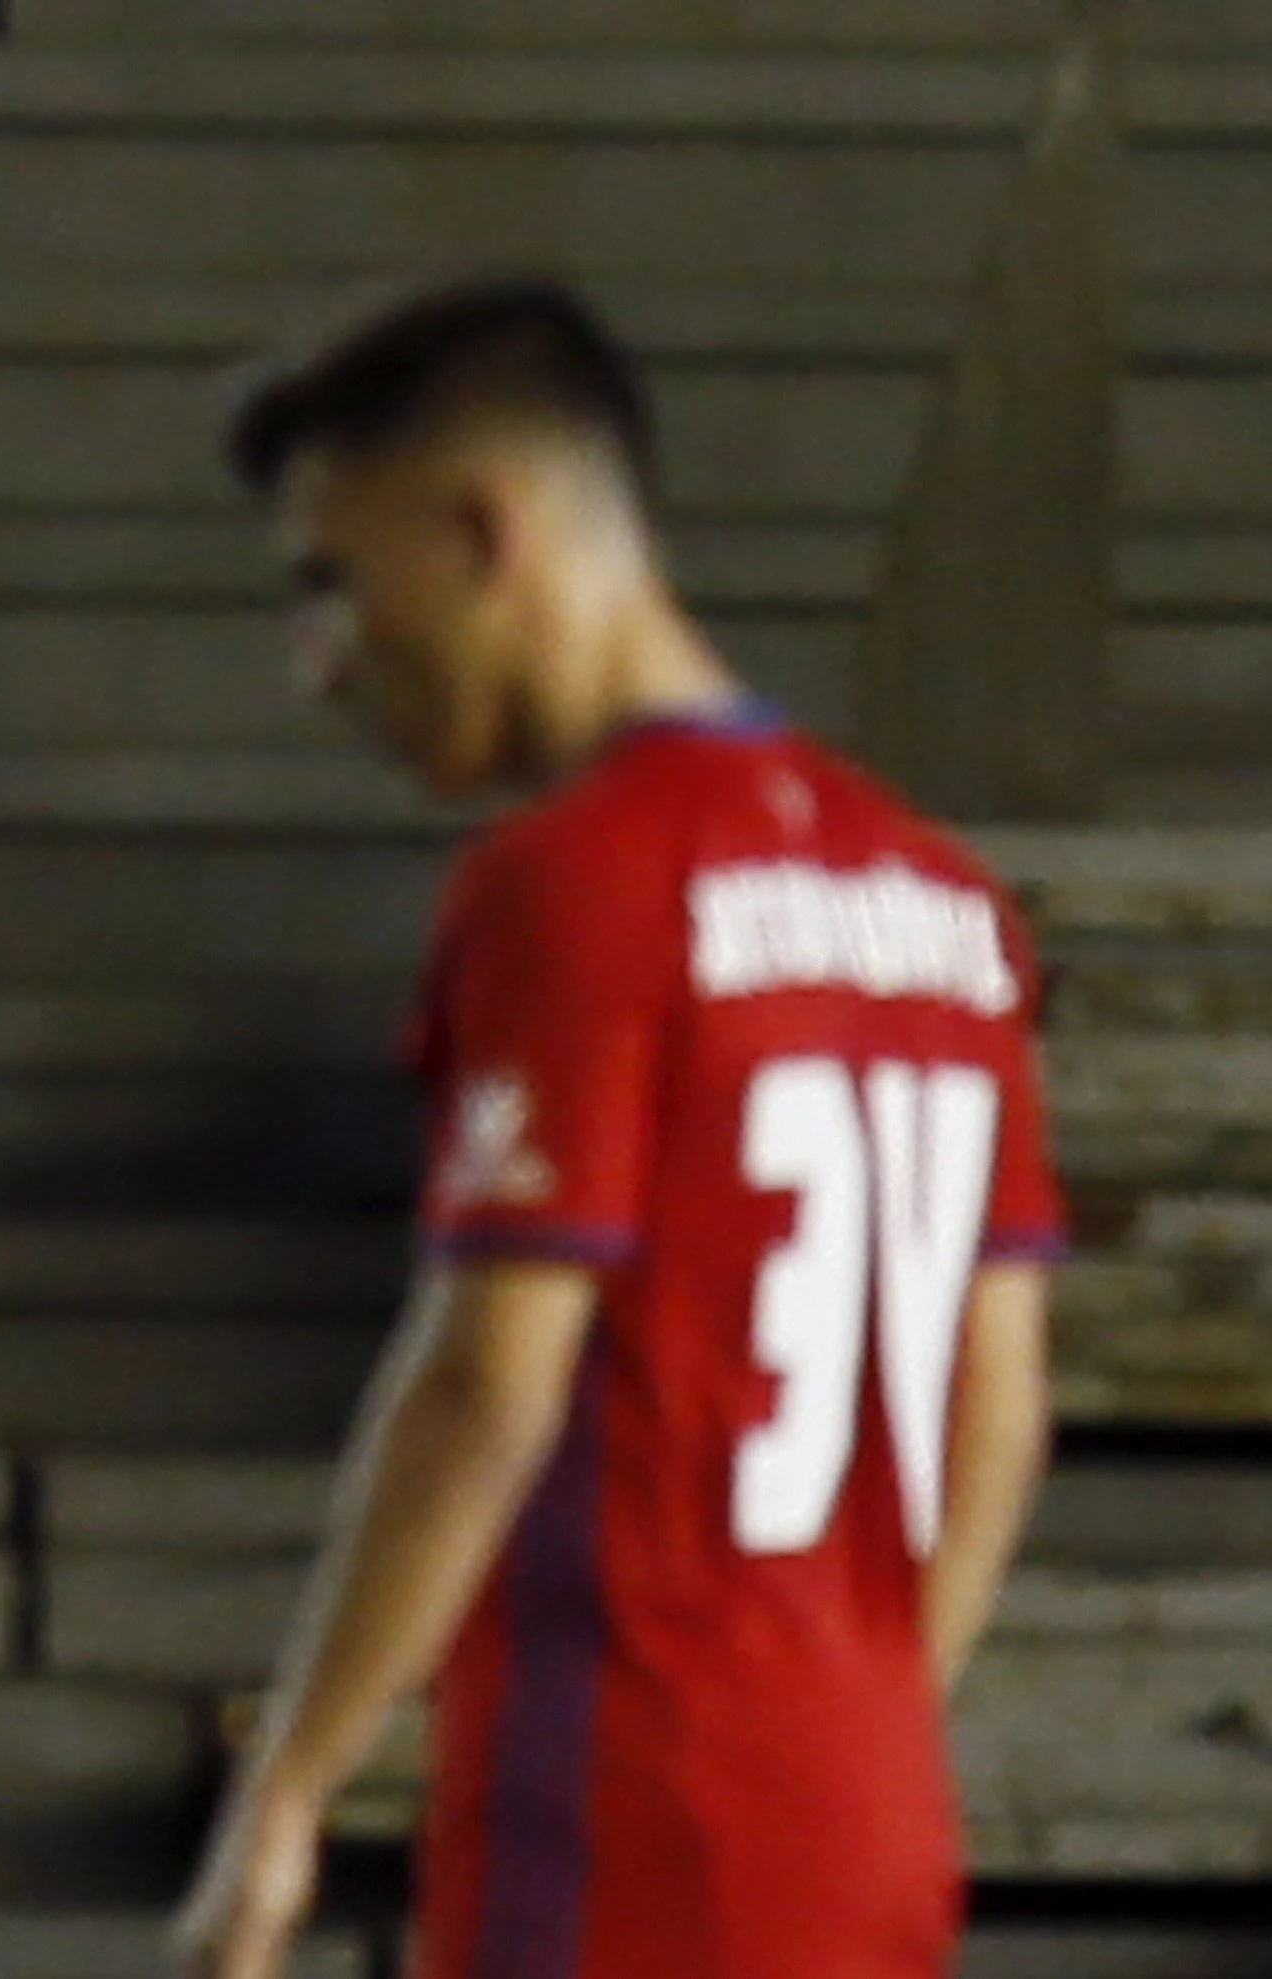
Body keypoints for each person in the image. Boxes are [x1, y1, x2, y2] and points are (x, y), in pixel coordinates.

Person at [171, 277, 1061, 1979]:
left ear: (479, 532)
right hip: (865, 1815)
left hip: (620, 1804)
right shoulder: (941, 896)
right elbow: (996, 1408)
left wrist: (285, 1788)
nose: (319, 664)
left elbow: (487, 1381)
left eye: (331, 585)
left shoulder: (571, 881)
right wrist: (846, 1726)